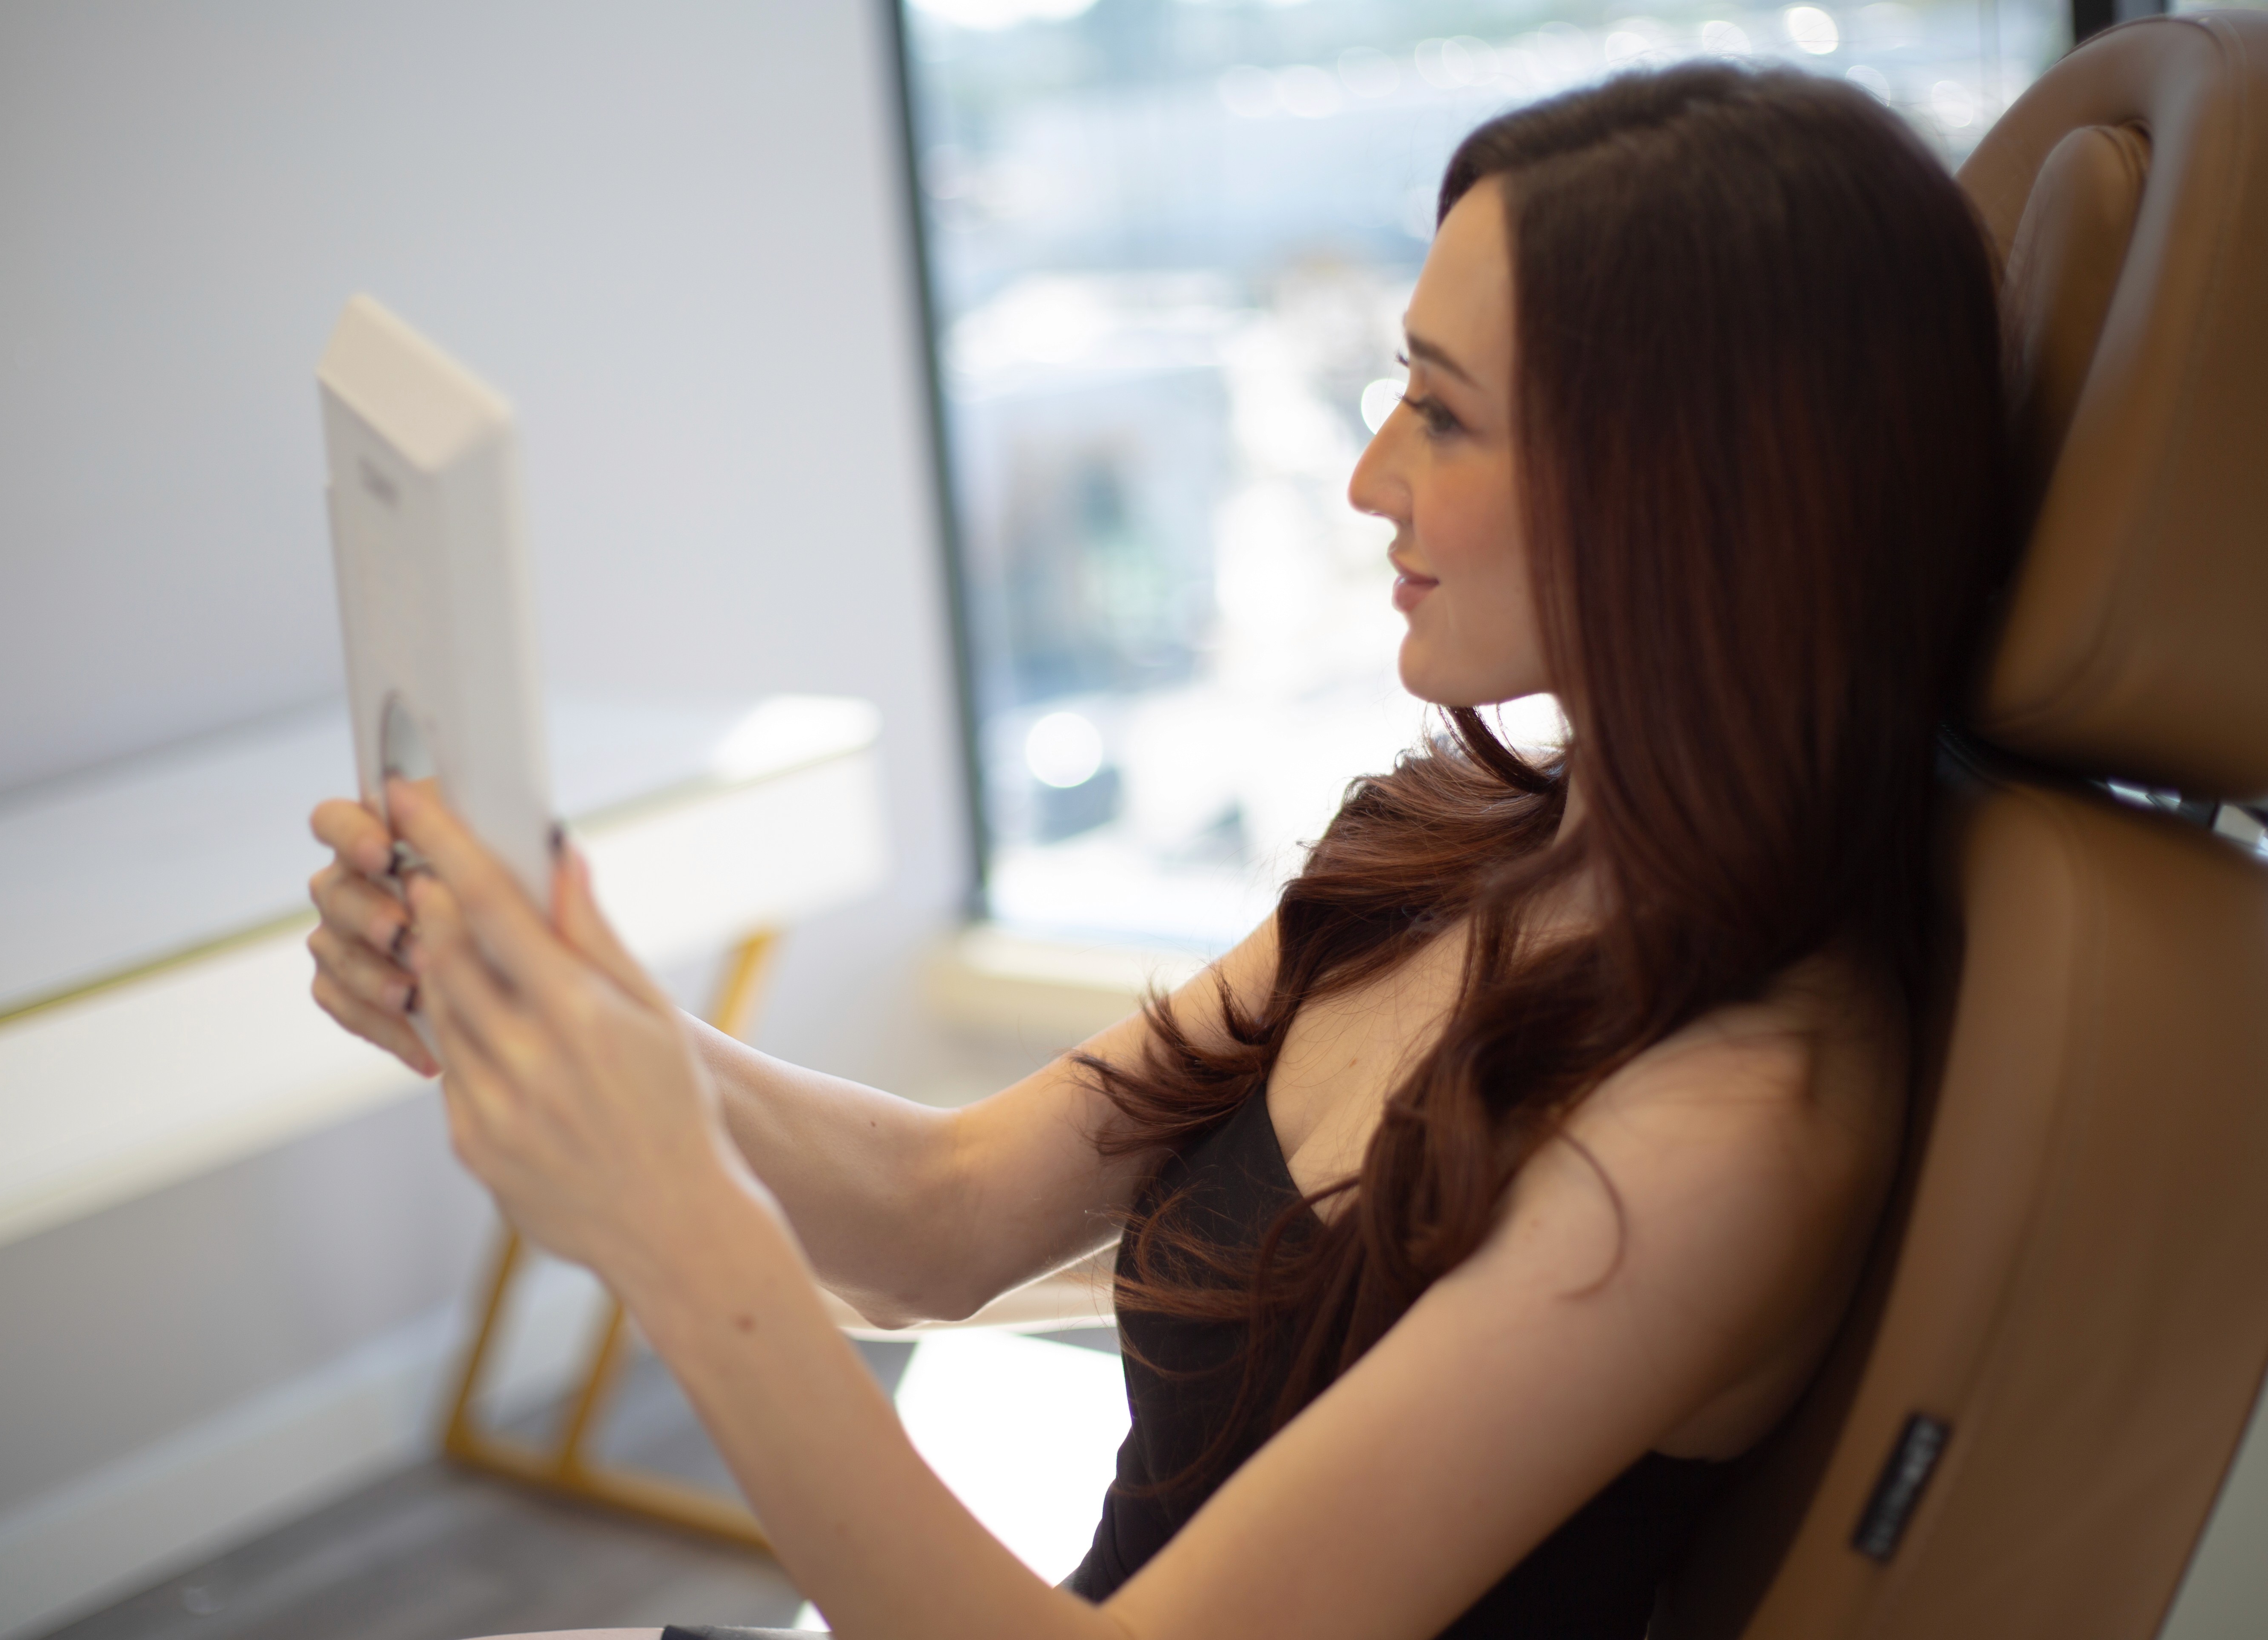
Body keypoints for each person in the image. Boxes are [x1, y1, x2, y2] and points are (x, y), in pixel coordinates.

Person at [305, 61, 2013, 1640]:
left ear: (1682, 493)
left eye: (1442, 414)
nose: (1366, 480)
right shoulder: (1444, 857)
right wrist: (557, 1014)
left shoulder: (1728, 1132)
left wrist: (682, 1237)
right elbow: (941, 1220)